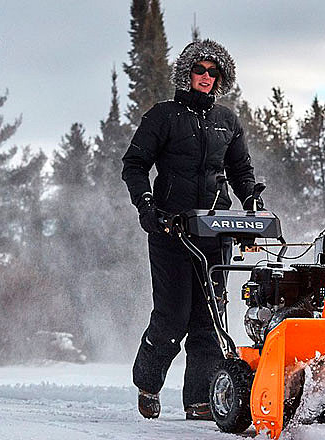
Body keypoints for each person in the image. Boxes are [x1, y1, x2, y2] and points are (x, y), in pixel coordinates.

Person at [121, 39, 261, 420]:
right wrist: (147, 206)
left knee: (209, 319)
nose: (206, 77)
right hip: (170, 231)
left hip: (214, 231)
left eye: (214, 72)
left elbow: (240, 171)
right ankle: (148, 384)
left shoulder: (227, 121)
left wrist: (251, 200)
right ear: (186, 74)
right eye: (200, 70)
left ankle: (199, 401)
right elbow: (134, 164)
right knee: (173, 316)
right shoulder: (164, 115)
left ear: (221, 78)